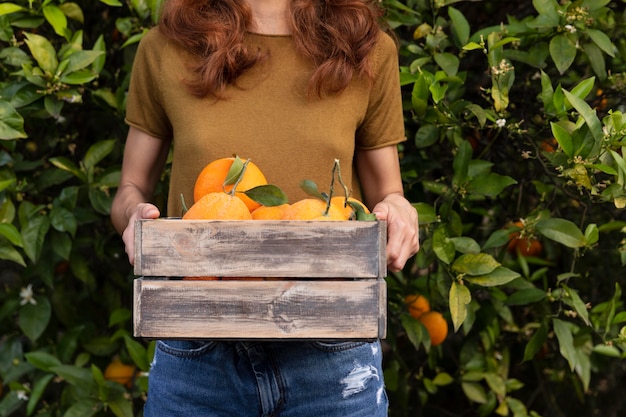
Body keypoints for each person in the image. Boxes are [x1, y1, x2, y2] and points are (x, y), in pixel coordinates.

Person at [110, 0, 419, 414]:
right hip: (198, 352)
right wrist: (135, 220)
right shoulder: (168, 45)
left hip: (333, 355)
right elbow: (131, 187)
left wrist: (400, 212)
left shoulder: (365, 47)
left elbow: (388, 194)